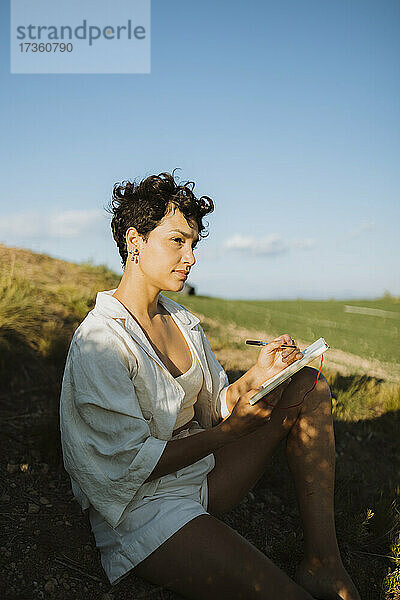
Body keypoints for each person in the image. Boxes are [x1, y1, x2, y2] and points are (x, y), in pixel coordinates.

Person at [59, 171, 361, 600]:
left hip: (198, 475)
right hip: (142, 510)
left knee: (308, 385)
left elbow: (214, 404)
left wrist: (256, 378)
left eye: (194, 244)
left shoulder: (180, 319)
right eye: (177, 241)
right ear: (135, 242)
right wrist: (228, 433)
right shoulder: (100, 341)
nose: (191, 257)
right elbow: (129, 466)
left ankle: (323, 562)